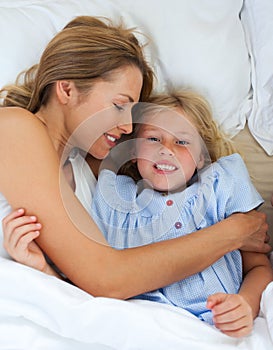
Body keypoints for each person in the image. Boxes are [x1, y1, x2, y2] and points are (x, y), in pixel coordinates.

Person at [0, 16, 270, 305]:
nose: (128, 127)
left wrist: (45, 272)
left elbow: (89, 285)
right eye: (119, 105)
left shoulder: (89, 174)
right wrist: (232, 233)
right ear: (67, 89)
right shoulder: (14, 127)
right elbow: (108, 278)